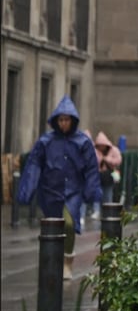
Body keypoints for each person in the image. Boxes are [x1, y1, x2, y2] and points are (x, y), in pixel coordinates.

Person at [16, 95, 101, 280]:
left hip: (73, 191)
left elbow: (91, 168)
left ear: (73, 120)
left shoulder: (82, 142)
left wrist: (91, 192)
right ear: (56, 121)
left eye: (67, 120)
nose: (64, 123)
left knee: (69, 224)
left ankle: (67, 261)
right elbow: (34, 165)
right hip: (50, 190)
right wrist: (27, 191)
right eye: (61, 120)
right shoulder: (46, 141)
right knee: (52, 227)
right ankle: (53, 261)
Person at [88, 131, 123, 221]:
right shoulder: (96, 151)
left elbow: (118, 160)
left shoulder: (113, 150)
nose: (101, 147)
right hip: (98, 175)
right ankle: (97, 211)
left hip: (109, 175)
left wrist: (107, 159)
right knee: (97, 193)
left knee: (108, 193)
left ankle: (108, 210)